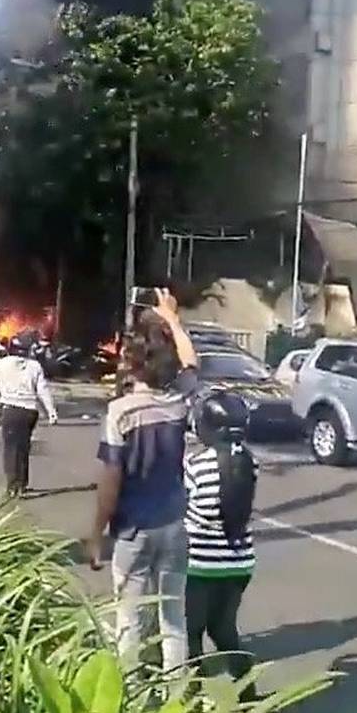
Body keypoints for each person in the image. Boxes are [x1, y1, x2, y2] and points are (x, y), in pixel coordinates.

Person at [88, 291, 198, 678]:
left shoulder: (120, 413)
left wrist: (97, 533)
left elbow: (111, 481)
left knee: (129, 617)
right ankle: (177, 694)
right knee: (173, 617)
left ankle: (130, 693)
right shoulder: (180, 400)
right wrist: (172, 319)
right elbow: (191, 361)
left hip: (134, 530)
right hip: (174, 525)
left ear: (133, 365)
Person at [183, 391, 258, 686]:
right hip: (240, 561)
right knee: (225, 630)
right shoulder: (250, 462)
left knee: (192, 632)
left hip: (200, 563)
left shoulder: (196, 464)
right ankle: (247, 694)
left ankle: (192, 697)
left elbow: (186, 507)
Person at [0, 330, 57, 495]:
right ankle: (21, 483)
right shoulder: (35, 366)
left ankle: (13, 486)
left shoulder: (4, 363)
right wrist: (51, 411)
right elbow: (42, 390)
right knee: (23, 446)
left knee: (10, 448)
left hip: (10, 409)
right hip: (29, 412)